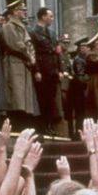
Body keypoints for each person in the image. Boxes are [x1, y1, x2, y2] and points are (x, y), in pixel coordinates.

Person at [1, 0, 39, 130]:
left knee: (24, 97)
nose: (25, 12)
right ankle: (16, 125)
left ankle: (23, 124)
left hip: (23, 63)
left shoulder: (22, 27)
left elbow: (28, 45)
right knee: (16, 97)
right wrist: (28, 54)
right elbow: (15, 44)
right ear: (15, 11)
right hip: (14, 63)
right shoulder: (9, 26)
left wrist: (30, 55)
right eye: (22, 10)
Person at [31, 7, 63, 136]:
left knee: (51, 100)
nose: (52, 19)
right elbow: (33, 53)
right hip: (43, 70)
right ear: (43, 17)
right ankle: (43, 126)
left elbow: (58, 53)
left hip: (52, 70)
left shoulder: (52, 33)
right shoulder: (33, 33)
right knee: (43, 99)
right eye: (50, 16)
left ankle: (50, 125)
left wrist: (60, 70)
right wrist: (36, 70)